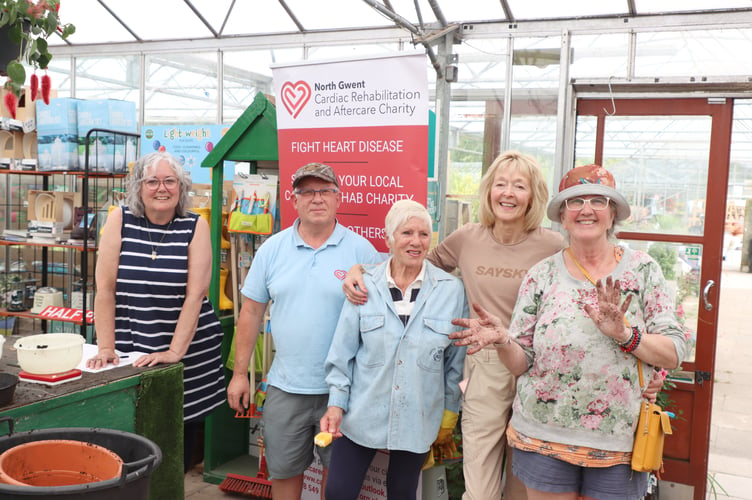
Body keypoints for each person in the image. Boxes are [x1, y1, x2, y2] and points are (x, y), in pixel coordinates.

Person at [450, 164, 688, 500]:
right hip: (543, 435)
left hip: (616, 441)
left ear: (613, 214)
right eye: (575, 202)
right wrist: (504, 340)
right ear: (562, 217)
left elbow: (675, 350)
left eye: (598, 201)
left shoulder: (643, 270)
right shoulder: (541, 274)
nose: (586, 210)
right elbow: (522, 362)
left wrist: (625, 335)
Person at [344, 150, 565, 499]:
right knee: (480, 480)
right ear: (488, 191)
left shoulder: (554, 246)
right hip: (485, 362)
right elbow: (410, 263)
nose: (508, 193)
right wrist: (361, 272)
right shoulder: (467, 238)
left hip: (538, 365)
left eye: (519, 186)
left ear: (534, 195)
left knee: (525, 477)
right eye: (500, 184)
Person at [226, 162, 379, 500]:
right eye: (307, 191)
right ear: (293, 200)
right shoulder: (272, 250)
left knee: (337, 483)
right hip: (285, 388)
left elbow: (379, 322)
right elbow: (250, 312)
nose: (317, 199)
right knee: (284, 475)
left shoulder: (363, 253)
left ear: (339, 198)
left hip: (344, 392)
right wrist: (240, 375)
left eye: (325, 191)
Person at [86, 151, 226, 472]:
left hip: (187, 353)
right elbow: (105, 289)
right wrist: (106, 346)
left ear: (181, 187)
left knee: (176, 442)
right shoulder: (120, 219)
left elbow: (196, 296)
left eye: (169, 181)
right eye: (152, 181)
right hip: (131, 347)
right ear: (138, 186)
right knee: (129, 433)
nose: (161, 188)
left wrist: (174, 352)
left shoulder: (195, 226)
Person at [320, 199, 468, 500]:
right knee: (337, 492)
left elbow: (455, 362)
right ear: (389, 238)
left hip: (418, 416)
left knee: (402, 493)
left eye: (424, 234)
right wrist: (336, 403)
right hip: (361, 414)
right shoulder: (364, 285)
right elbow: (342, 353)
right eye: (406, 233)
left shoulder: (450, 290)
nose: (416, 242)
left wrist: (449, 414)